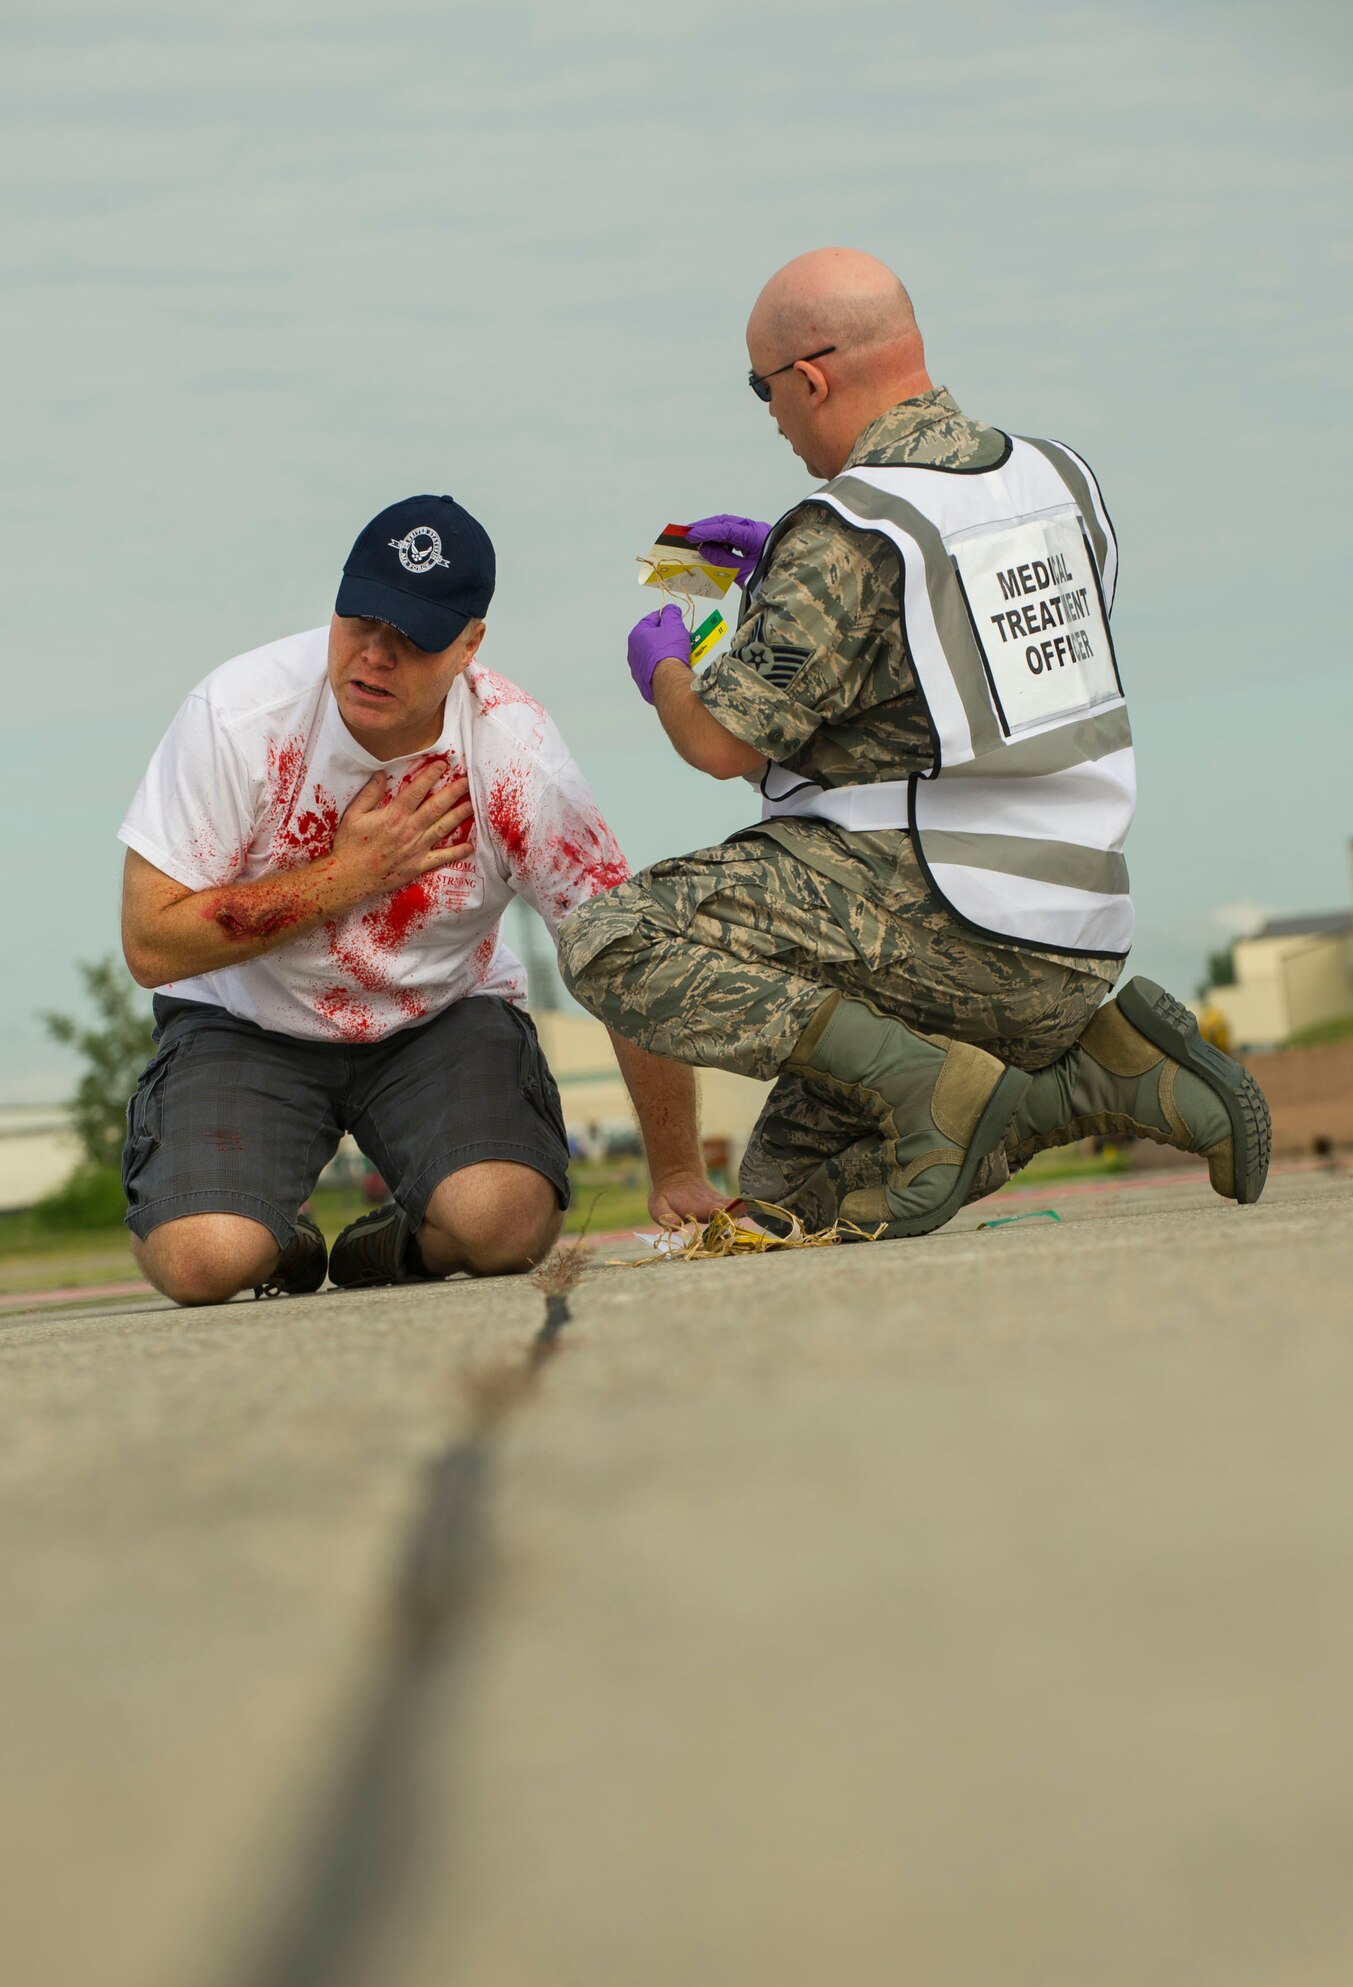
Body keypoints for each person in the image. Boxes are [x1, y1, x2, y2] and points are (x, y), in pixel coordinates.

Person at [558, 249, 1270, 1236]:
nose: (769, 412)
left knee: (609, 941)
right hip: (1077, 938)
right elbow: (960, 657)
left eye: (763, 390)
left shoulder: (853, 527)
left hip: (937, 920)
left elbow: (720, 741)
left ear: (808, 377)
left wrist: (667, 669)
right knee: (785, 1201)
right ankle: (1091, 1078)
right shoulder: (1057, 480)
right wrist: (788, 576)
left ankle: (930, 1079)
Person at [119, 494, 722, 1305]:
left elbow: (624, 954)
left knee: (507, 1228)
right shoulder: (239, 716)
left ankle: (396, 1244)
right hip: (246, 1021)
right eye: (361, 618)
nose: (375, 655)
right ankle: (270, 1236)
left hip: (439, 1015)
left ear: (470, 644)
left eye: (414, 636)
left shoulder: (515, 757)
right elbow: (151, 945)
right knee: (204, 1264)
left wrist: (677, 1171)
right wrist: (351, 876)